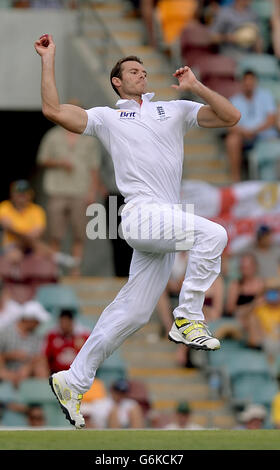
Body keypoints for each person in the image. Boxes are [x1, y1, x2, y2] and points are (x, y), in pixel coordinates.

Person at [34, 33, 240, 428]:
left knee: (134, 312)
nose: (142, 74)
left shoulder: (175, 109)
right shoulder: (106, 117)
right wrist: (48, 58)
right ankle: (188, 315)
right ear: (117, 82)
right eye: (133, 70)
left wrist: (196, 86)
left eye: (144, 70)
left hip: (163, 223)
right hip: (141, 215)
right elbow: (53, 111)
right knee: (213, 235)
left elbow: (230, 117)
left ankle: (72, 381)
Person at [36, 99, 102, 275]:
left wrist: (92, 192)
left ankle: (75, 270)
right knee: (55, 233)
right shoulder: (52, 136)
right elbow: (42, 159)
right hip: (57, 190)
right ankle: (54, 269)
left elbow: (94, 168)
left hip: (80, 190)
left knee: (79, 233)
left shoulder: (89, 139)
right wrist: (59, 162)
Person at [225, 70, 278, 181]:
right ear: (241, 83)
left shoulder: (265, 96)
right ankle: (236, 179)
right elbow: (230, 125)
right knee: (232, 140)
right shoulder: (235, 100)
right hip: (244, 136)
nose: (248, 84)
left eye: (251, 81)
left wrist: (255, 131)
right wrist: (245, 132)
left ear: (255, 82)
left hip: (263, 135)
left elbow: (271, 119)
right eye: (246, 81)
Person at [0, 300, 50, 388]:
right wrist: (10, 356)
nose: (39, 324)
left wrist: (27, 368)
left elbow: (39, 358)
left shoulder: (36, 336)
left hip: (26, 372)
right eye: (37, 321)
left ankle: (43, 396)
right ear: (29, 320)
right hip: (6, 371)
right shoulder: (5, 332)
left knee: (40, 367)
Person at [0, 180, 47, 262]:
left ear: (30, 194)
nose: (21, 196)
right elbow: (7, 227)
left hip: (31, 246)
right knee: (15, 256)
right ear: (12, 194)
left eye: (24, 193)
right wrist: (26, 236)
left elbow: (37, 232)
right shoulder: (4, 206)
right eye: (18, 193)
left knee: (42, 255)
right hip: (11, 245)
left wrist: (19, 234)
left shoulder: (37, 210)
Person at [41, 308, 90, 375]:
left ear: (71, 322)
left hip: (77, 374)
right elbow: (45, 356)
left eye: (66, 322)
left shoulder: (84, 336)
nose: (64, 325)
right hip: (56, 373)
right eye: (62, 322)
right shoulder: (52, 336)